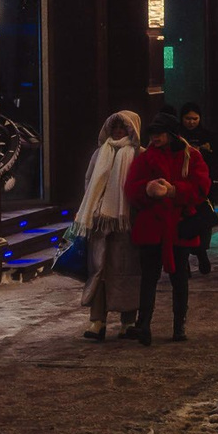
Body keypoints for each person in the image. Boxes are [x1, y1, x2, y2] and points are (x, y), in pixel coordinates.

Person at [122, 111, 209, 345]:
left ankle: (179, 325)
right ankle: (144, 324)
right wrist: (148, 189)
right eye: (152, 133)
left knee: (179, 277)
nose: (155, 138)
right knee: (148, 278)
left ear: (171, 135)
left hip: (179, 226)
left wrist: (173, 191)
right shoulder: (145, 158)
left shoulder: (192, 157)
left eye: (159, 133)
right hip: (152, 226)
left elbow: (201, 188)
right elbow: (131, 188)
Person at [75, 111, 142, 343]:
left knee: (127, 272)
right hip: (100, 225)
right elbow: (89, 181)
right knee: (99, 272)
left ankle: (127, 321)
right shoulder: (99, 154)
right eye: (114, 128)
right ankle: (97, 320)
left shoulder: (137, 154)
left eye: (122, 128)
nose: (117, 132)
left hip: (126, 225)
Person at [175, 102, 218, 276]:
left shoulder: (207, 135)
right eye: (188, 118)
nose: (191, 122)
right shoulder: (177, 137)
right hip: (182, 187)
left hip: (203, 187)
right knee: (183, 223)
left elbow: (217, 158)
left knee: (202, 222)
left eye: (195, 118)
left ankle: (202, 253)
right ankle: (184, 260)